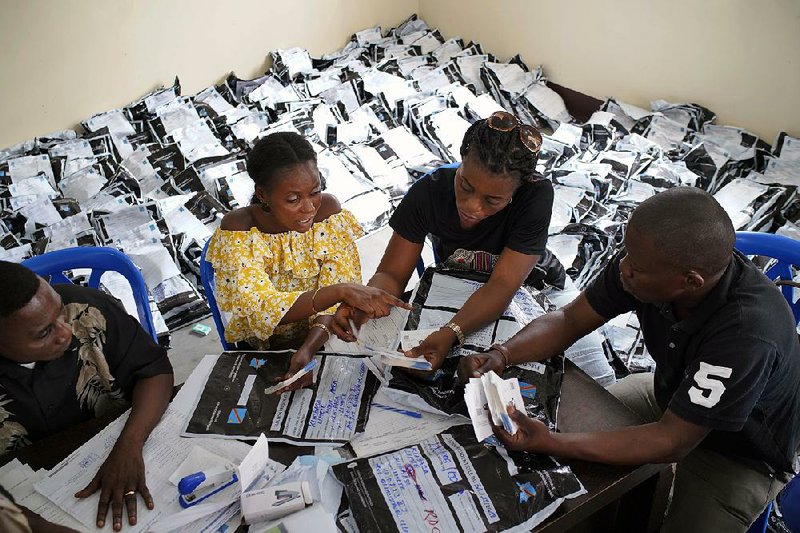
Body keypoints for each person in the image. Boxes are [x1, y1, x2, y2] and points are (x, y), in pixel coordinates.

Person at [458, 187, 800, 531]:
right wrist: (501, 355)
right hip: (671, 397)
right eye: (627, 252)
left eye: (635, 265)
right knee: (569, 464)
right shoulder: (644, 265)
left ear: (690, 281)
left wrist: (551, 440)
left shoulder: (745, 334)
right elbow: (569, 320)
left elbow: (672, 441)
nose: (623, 268)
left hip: (738, 452)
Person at [332, 111, 564, 372]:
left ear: (517, 191)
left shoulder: (536, 196)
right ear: (461, 160)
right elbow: (392, 273)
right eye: (465, 185)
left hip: (537, 286)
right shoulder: (428, 192)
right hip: (460, 287)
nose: (472, 206)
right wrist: (365, 304)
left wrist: (451, 332)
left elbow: (503, 284)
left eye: (492, 200)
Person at [206, 131, 409, 390]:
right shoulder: (239, 229)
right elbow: (262, 309)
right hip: (271, 346)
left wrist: (311, 345)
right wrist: (339, 292)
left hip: (324, 334)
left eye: (314, 191)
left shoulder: (328, 213)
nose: (309, 208)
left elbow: (336, 286)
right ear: (262, 194)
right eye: (293, 199)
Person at [0, 260, 174, 531]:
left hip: (123, 442)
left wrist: (129, 446)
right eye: (44, 332)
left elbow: (154, 371)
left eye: (59, 311)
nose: (66, 331)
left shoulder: (87, 308)